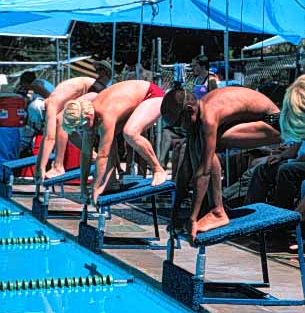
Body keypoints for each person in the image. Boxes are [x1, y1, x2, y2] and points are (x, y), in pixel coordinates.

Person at [160, 86, 281, 241]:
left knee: (210, 145)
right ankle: (209, 208)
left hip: (274, 123)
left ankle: (217, 211)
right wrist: (174, 215)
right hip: (256, 120)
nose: (179, 129)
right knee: (196, 144)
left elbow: (203, 172)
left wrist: (192, 218)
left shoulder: (208, 117)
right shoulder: (197, 114)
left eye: (178, 124)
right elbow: (184, 170)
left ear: (189, 110)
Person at [61, 80, 166, 204]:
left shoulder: (105, 115)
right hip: (133, 100)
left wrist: (95, 188)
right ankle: (111, 183)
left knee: (130, 133)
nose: (81, 130)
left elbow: (102, 156)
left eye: (80, 126)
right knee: (107, 139)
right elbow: (85, 154)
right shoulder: (89, 113)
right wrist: (83, 187)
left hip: (152, 95)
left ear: (88, 117)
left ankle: (158, 169)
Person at [35, 77, 100, 182]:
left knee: (61, 120)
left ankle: (58, 166)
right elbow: (46, 137)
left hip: (96, 89)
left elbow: (50, 138)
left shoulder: (51, 105)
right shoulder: (53, 102)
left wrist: (41, 168)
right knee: (67, 129)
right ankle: (94, 156)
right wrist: (38, 167)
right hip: (91, 88)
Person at [280, 75, 305, 218]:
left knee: (286, 169)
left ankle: (283, 222)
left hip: (299, 162)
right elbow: (294, 148)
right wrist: (278, 156)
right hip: (298, 160)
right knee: (265, 167)